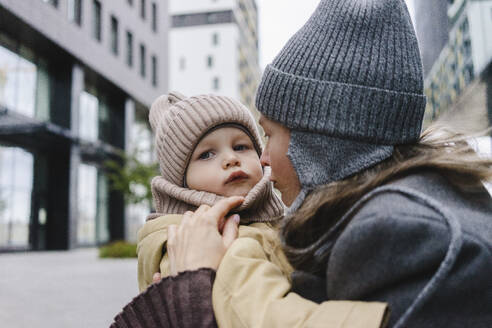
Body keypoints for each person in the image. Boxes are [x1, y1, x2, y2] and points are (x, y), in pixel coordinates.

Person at [113, 0, 492, 327]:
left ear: (318, 139)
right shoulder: (417, 204)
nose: (260, 159)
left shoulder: (402, 230)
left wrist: (201, 283)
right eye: (207, 154)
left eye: (268, 136)